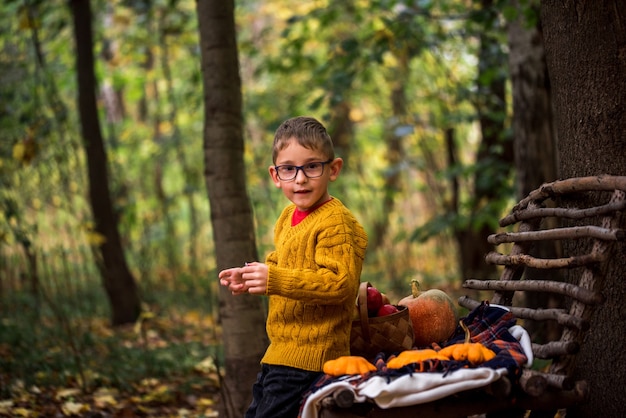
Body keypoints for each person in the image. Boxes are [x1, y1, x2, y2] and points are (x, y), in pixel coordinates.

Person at [218, 116, 368, 418]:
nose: (300, 179)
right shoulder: (287, 217)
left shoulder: (335, 222)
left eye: (312, 166)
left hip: (312, 359)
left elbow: (340, 284)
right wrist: (252, 274)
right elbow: (286, 263)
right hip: (280, 352)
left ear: (333, 169)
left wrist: (274, 279)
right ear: (275, 175)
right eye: (289, 169)